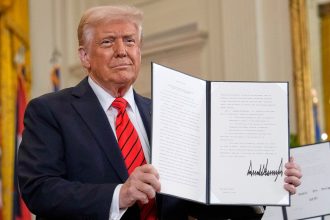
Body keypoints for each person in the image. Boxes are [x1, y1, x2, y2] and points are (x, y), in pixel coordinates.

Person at [17, 5, 302, 220]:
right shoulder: (49, 111)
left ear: (139, 51)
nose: (121, 51)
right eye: (107, 42)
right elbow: (39, 190)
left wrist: (265, 185)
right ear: (84, 56)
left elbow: (195, 195)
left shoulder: (167, 114)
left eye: (130, 41)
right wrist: (120, 195)